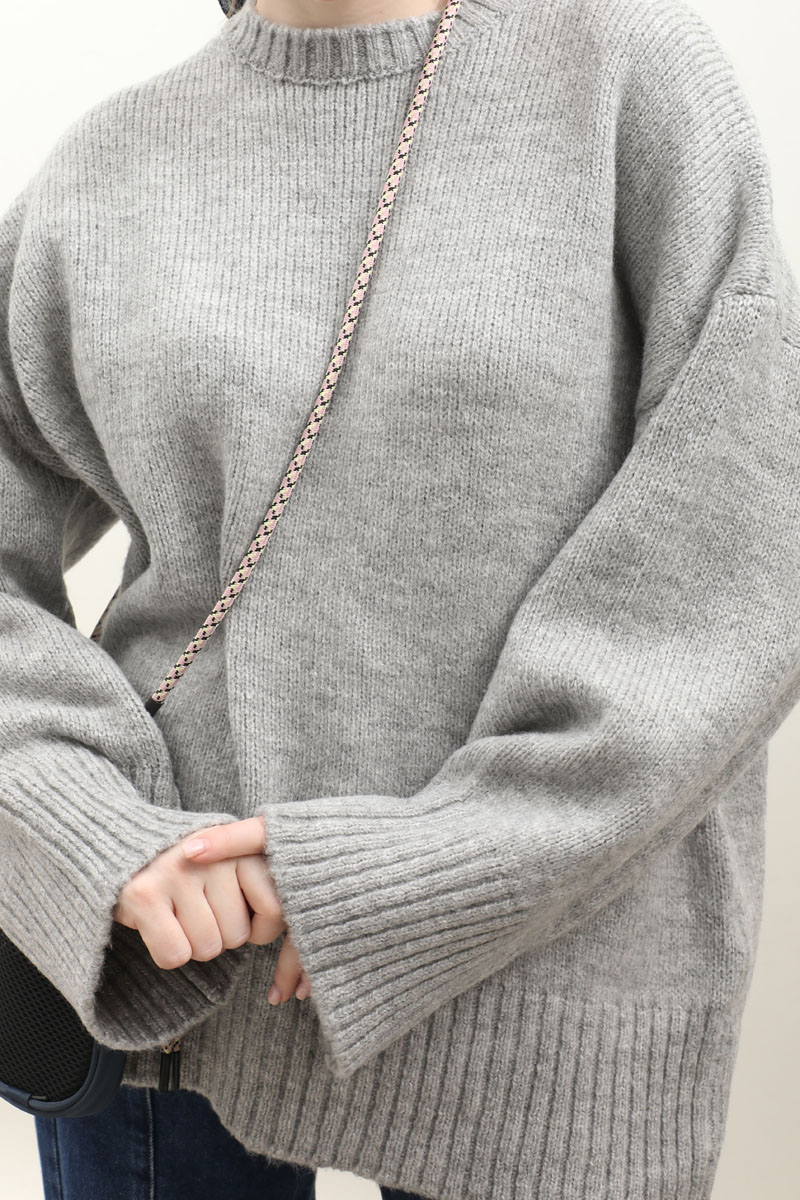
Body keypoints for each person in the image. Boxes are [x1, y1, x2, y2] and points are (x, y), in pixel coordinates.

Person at [1, 0, 798, 1196]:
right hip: (175, 988)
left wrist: (425, 868)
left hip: (536, 1007)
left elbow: (743, 536)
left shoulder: (623, 78)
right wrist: (88, 832)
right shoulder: (107, 165)